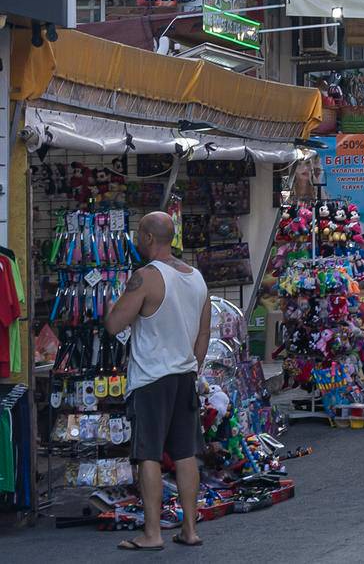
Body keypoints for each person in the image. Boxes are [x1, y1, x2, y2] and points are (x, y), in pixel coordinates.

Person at [104, 211, 210, 551]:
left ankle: (152, 533)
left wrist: (113, 305)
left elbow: (114, 324)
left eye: (139, 234)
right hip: (184, 374)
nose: (136, 240)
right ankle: (190, 529)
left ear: (149, 238)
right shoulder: (196, 277)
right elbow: (204, 334)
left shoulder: (146, 277)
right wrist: (193, 366)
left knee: (147, 453)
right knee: (185, 453)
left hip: (151, 378)